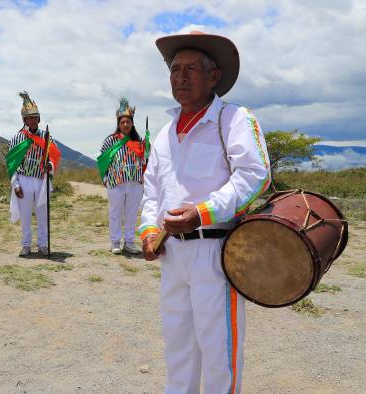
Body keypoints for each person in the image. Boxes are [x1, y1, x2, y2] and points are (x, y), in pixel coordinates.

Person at [140, 31, 271, 393]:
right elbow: (152, 188)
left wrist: (204, 211)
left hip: (215, 252)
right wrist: (149, 231)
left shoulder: (232, 120)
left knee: (218, 354)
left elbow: (255, 175)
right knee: (178, 349)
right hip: (173, 254)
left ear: (214, 76)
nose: (180, 77)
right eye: (174, 69)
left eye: (191, 68)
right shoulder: (165, 134)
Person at [6, 91, 60, 256]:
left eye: (35, 117)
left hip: (41, 179)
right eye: (29, 118)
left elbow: (54, 155)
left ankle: (43, 245)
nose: (33, 120)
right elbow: (12, 164)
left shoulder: (46, 137)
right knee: (25, 215)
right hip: (24, 179)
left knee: (42, 213)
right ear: (24, 120)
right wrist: (15, 184)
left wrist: (50, 165)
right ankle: (26, 245)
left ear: (39, 119)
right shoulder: (17, 138)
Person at [97, 97, 146, 255]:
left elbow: (145, 159)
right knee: (115, 213)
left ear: (132, 123)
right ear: (118, 124)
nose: (126, 125)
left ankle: (130, 242)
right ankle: (115, 242)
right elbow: (101, 160)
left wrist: (147, 148)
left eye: (128, 122)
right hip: (115, 182)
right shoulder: (110, 141)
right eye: (122, 122)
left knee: (132, 213)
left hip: (135, 182)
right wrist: (105, 179)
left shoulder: (138, 141)